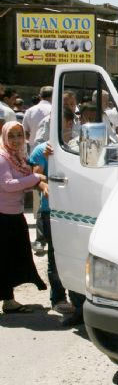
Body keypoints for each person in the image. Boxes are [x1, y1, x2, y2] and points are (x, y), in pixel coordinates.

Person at [0, 121, 47, 314]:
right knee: (3, 259)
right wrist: (36, 179)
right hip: (3, 217)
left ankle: (9, 301)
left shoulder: (17, 157)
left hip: (14, 215)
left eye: (19, 135)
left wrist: (37, 175)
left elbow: (25, 181)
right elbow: (9, 185)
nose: (16, 139)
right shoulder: (3, 158)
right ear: (4, 136)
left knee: (9, 259)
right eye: (11, 135)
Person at [29, 139, 76, 315]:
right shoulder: (42, 150)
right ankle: (58, 298)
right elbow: (36, 177)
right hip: (51, 210)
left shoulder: (77, 147)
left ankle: (77, 298)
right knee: (55, 257)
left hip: (76, 209)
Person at [23, 86, 52, 152]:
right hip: (50, 150)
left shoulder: (30, 110)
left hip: (33, 149)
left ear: (40, 96)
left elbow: (25, 131)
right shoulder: (55, 110)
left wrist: (33, 139)